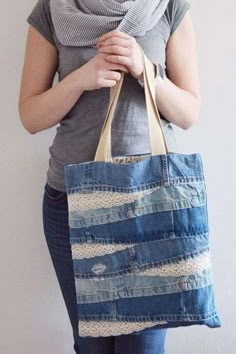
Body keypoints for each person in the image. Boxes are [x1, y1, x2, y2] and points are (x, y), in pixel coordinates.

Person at [18, 0, 201, 353]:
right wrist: (79, 81)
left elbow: (189, 112)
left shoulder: (168, 7)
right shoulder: (53, 9)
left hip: (150, 204)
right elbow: (30, 116)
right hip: (70, 203)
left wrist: (145, 69)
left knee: (143, 348)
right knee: (92, 347)